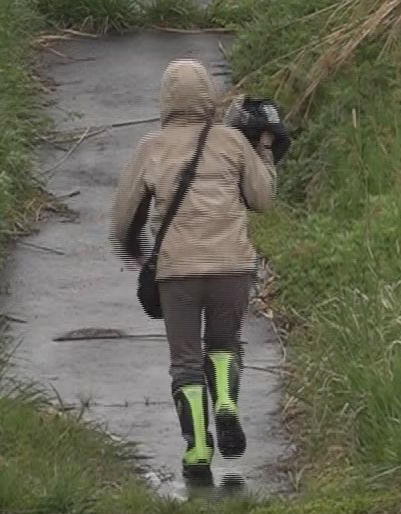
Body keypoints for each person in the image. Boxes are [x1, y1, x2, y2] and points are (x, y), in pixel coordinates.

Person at [110, 59, 277, 487]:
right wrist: (264, 152)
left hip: (177, 274)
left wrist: (137, 252)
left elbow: (123, 218)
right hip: (231, 268)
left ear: (165, 99)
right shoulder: (231, 142)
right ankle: (226, 401)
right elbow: (262, 199)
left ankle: (198, 448)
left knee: (184, 362)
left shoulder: (152, 146)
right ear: (209, 96)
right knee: (225, 344)